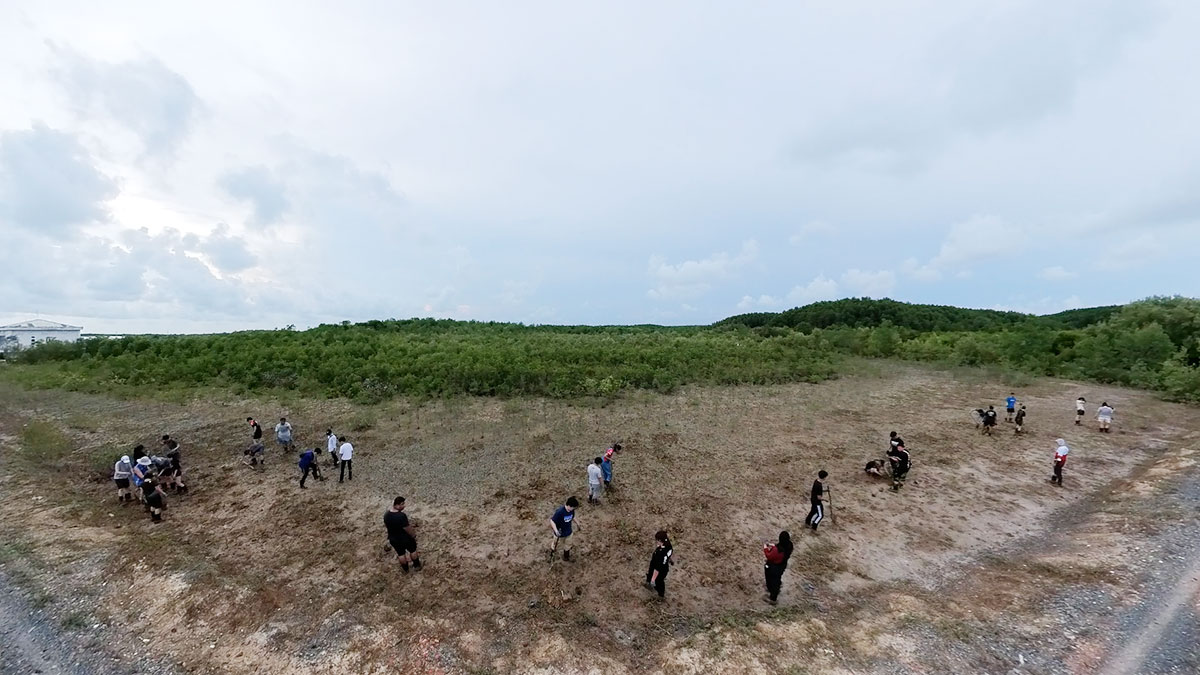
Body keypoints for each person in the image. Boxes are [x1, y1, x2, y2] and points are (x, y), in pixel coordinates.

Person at [384, 496, 422, 573]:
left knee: (401, 554)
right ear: (398, 505)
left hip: (393, 539)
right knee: (412, 551)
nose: (404, 506)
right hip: (405, 538)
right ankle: (417, 566)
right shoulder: (401, 516)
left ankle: (405, 569)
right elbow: (407, 528)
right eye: (403, 504)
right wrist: (413, 535)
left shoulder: (386, 515)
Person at [763, 531, 793, 605]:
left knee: (771, 579)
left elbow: (769, 555)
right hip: (782, 565)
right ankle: (776, 587)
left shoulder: (777, 550)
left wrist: (765, 548)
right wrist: (773, 546)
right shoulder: (789, 545)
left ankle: (773, 598)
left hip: (773, 567)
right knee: (777, 579)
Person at [644, 530, 673, 599]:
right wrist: (670, 560)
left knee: (659, 582)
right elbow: (669, 554)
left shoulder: (661, 554)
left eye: (657, 540)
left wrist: (653, 579)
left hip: (659, 569)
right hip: (663, 566)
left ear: (660, 540)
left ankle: (660, 595)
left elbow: (657, 569)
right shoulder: (668, 546)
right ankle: (649, 583)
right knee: (650, 573)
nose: (656, 541)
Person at [549, 497, 580, 561]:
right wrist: (556, 531)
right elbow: (552, 521)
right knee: (555, 545)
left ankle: (566, 557)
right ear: (569, 506)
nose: (573, 509)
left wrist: (577, 523)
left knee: (568, 545)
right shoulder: (560, 512)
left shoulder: (572, 510)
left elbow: (572, 517)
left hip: (568, 532)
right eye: (573, 507)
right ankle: (552, 555)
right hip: (559, 534)